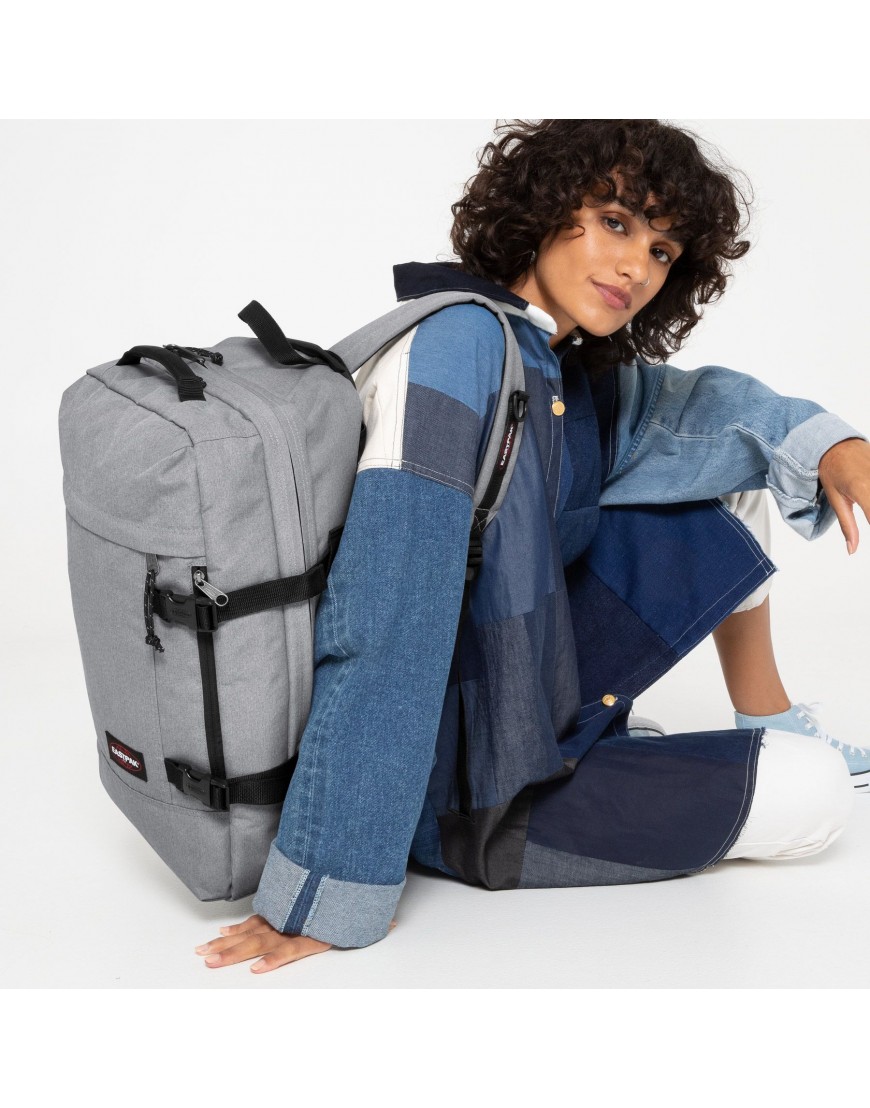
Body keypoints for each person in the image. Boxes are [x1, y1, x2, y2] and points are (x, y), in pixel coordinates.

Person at [195, 119, 870, 973]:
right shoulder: (455, 348)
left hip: (525, 695)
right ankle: (431, 828)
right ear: (545, 209)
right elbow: (386, 623)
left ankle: (762, 716)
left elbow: (706, 414)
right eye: (616, 223)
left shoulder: (559, 360)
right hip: (462, 792)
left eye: (662, 251)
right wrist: (328, 886)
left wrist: (834, 443)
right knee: (815, 798)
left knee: (728, 469)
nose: (636, 268)